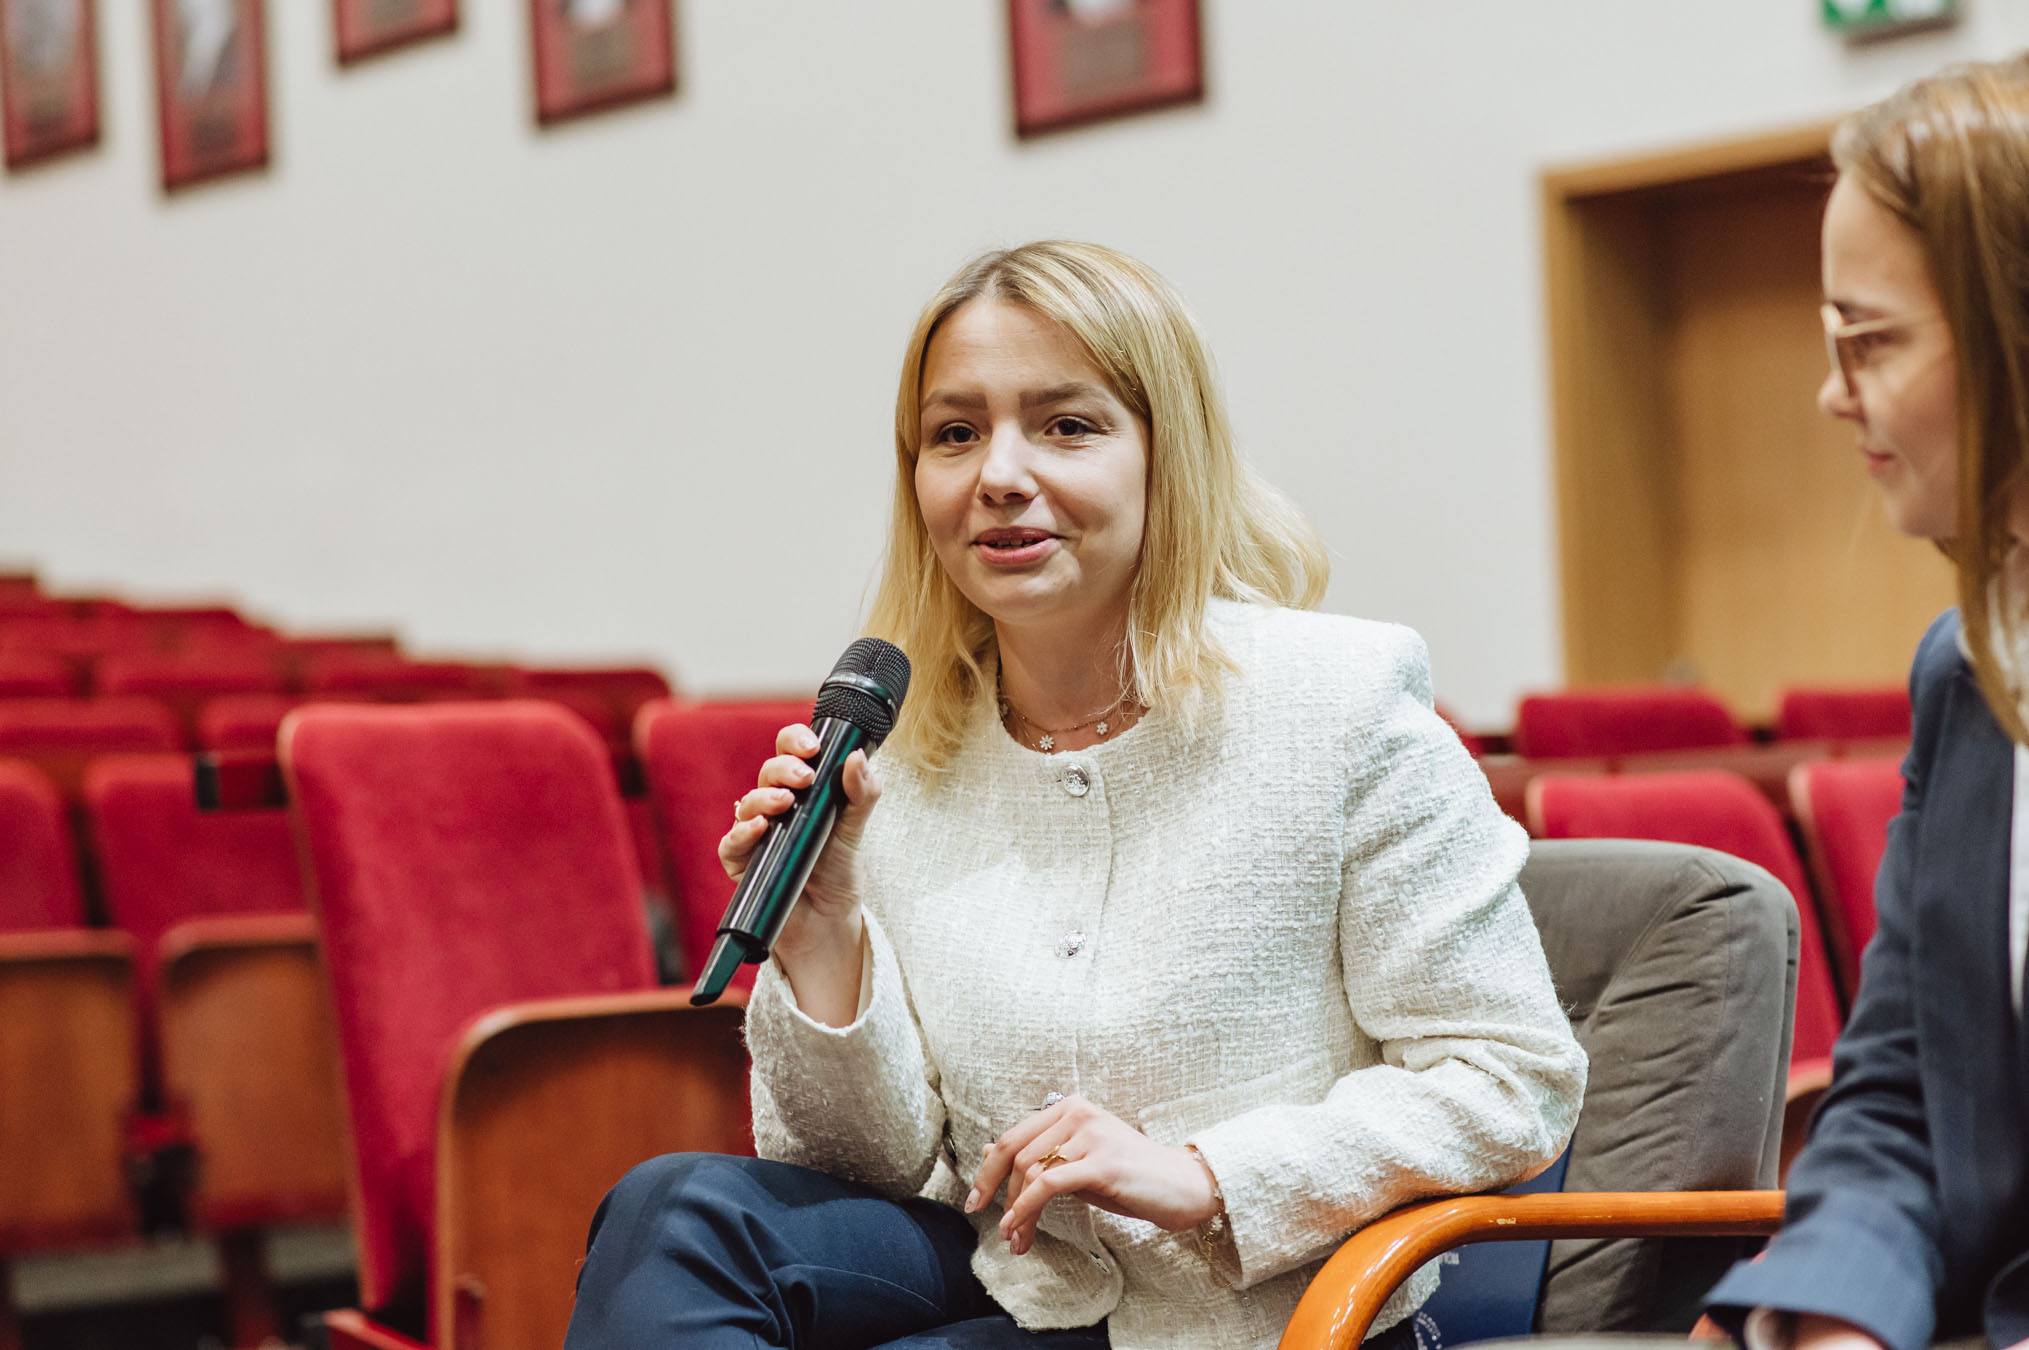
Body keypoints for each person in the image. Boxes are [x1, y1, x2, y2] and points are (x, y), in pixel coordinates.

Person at [563, 240, 1586, 1350]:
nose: (998, 474)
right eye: (955, 434)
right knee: (675, 1210)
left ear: (1165, 455)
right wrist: (824, 940)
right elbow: (866, 1173)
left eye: (1065, 426)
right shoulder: (899, 755)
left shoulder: (1339, 706)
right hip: (1013, 1282)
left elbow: (1509, 1079)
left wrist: (1206, 1172)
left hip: (1256, 1319)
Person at [1703, 55, 2029, 1350]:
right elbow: (1899, 1099)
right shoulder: (1970, 670)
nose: (1832, 392)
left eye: (1870, 339)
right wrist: (1832, 1315)